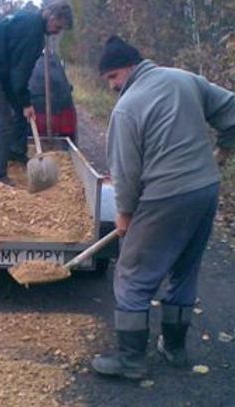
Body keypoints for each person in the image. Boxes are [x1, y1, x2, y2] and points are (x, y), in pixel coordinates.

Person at [91, 35, 235, 379]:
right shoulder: (185, 79)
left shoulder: (128, 107)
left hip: (165, 197)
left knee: (132, 275)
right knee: (184, 269)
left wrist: (124, 215)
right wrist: (224, 149)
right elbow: (231, 110)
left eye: (112, 77)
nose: (112, 86)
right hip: (204, 190)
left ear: (129, 67)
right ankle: (174, 349)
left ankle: (130, 360)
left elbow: (125, 172)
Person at [0, 0, 73, 186]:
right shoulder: (33, 33)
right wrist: (26, 102)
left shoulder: (32, 22)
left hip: (1, 68)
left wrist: (24, 104)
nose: (57, 32)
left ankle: (15, 152)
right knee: (4, 120)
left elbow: (16, 75)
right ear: (51, 16)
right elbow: (20, 75)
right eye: (58, 27)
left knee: (20, 112)